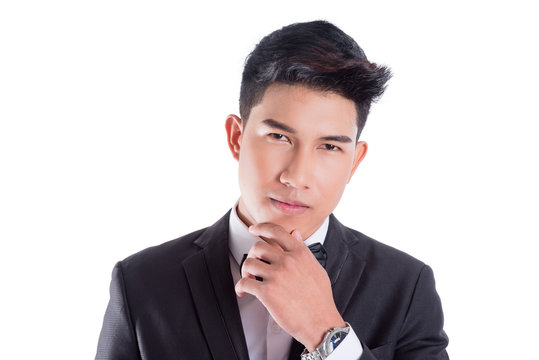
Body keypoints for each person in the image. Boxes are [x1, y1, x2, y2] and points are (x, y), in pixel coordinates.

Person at [95, 20, 449, 360]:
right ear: (236, 138)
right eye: (279, 137)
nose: (296, 177)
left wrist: (326, 333)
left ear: (354, 162)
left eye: (329, 147)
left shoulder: (407, 286)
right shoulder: (140, 283)